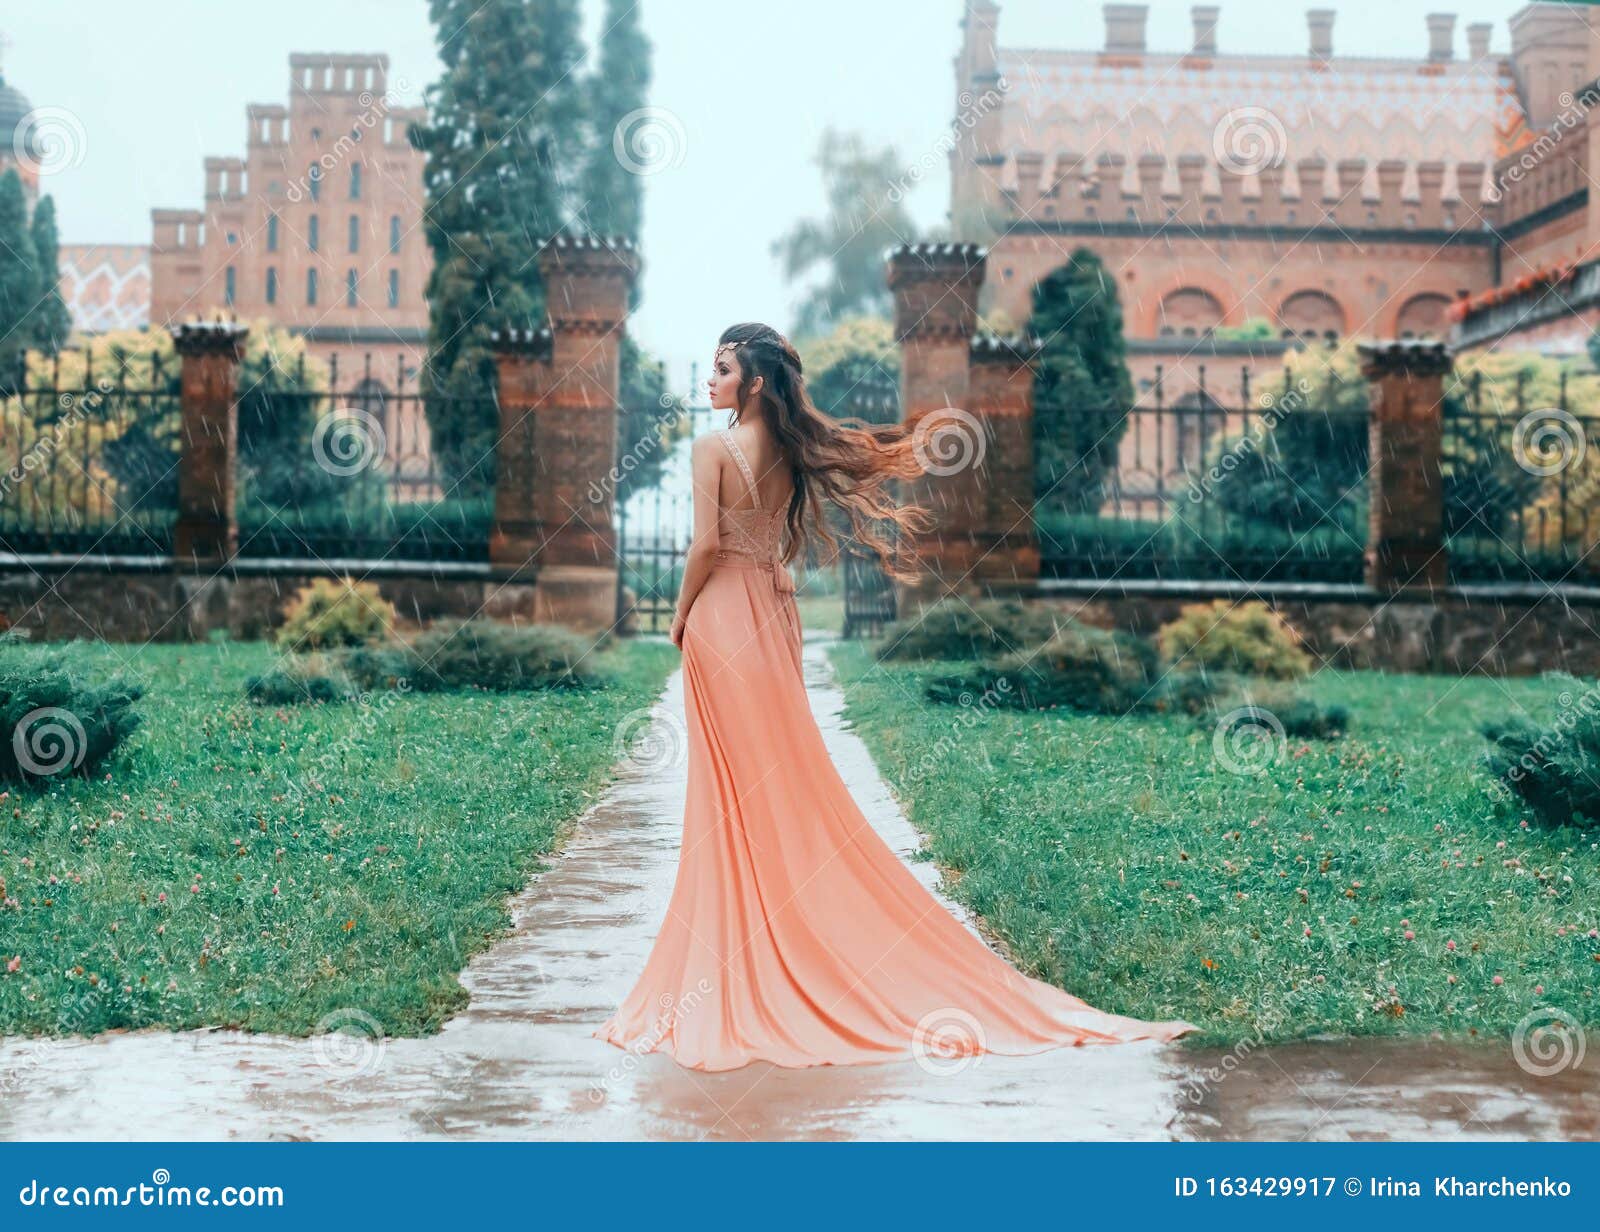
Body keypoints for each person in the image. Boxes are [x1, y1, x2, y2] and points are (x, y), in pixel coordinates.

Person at [592, 322, 1197, 1072]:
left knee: (731, 788)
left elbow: (707, 545)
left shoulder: (712, 449)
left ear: (752, 384)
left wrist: (680, 615)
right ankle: (776, 927)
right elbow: (771, 541)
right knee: (778, 776)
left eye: (721, 370)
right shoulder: (790, 448)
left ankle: (749, 947)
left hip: (721, 614)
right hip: (772, 612)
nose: (708, 381)